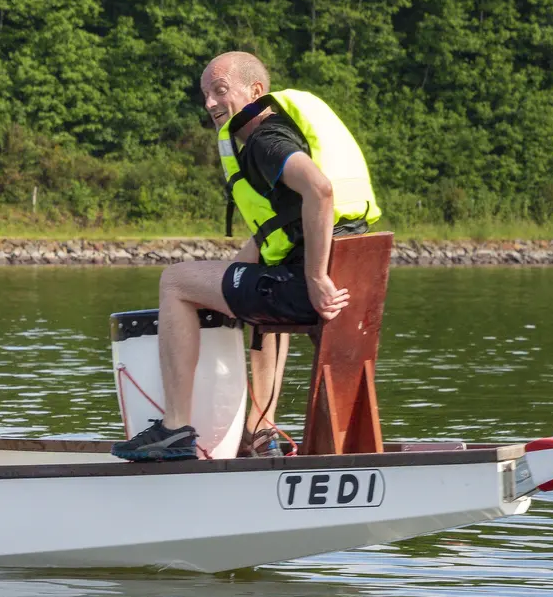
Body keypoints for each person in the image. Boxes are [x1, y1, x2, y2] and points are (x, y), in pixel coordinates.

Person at [113, 51, 381, 462]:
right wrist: (230, 278)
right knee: (252, 281)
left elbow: (320, 190)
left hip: (311, 289)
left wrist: (314, 278)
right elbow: (275, 231)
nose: (210, 104)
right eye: (204, 95)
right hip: (351, 280)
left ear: (255, 91)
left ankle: (174, 429)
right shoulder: (281, 129)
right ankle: (260, 432)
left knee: (176, 282)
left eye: (220, 91)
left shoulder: (264, 140)